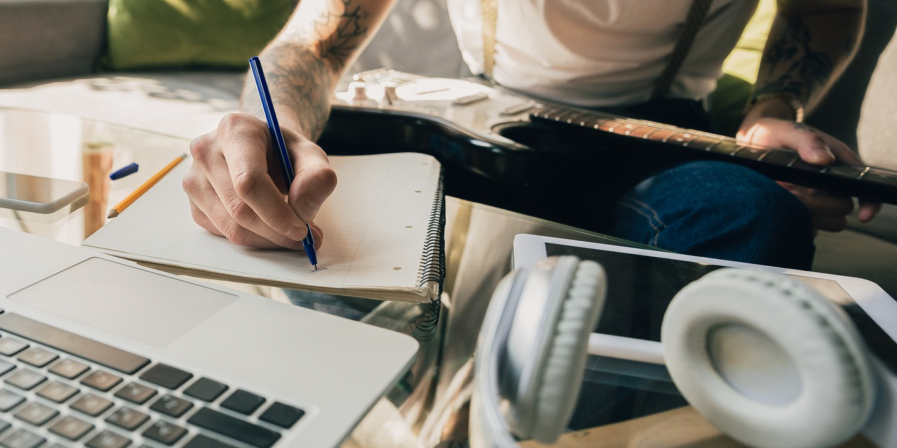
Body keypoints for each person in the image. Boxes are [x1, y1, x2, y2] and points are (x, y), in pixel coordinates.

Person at [182, 0, 881, 270]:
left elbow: (822, 8)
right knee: (320, 190)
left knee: (755, 215)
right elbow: (315, 42)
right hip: (474, 128)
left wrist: (773, 109)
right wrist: (270, 129)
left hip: (655, 142)